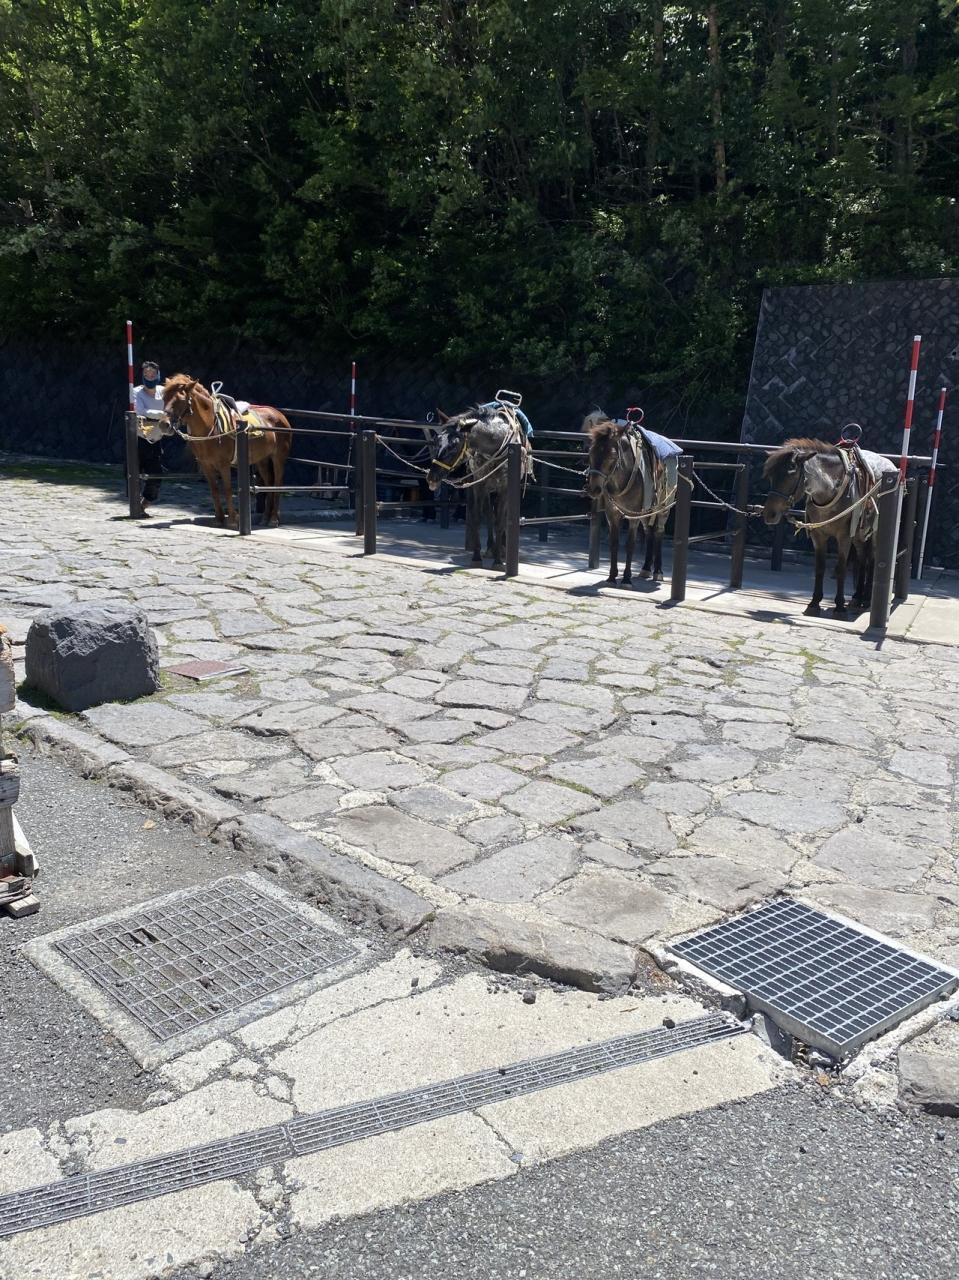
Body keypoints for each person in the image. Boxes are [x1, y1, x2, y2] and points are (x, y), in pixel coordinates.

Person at [133, 360, 166, 514]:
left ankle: (145, 503)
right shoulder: (136, 392)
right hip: (140, 436)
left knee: (156, 473)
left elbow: (171, 408)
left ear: (158, 375)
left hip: (157, 437)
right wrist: (161, 414)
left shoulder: (163, 391)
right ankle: (134, 504)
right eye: (146, 373)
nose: (150, 376)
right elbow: (140, 411)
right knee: (134, 472)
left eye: (152, 373)